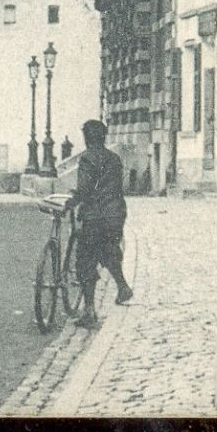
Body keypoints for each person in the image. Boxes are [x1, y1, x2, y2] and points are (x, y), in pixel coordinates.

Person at [68, 118, 133, 326]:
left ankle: (89, 312)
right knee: (109, 250)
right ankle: (123, 287)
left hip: (96, 217)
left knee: (86, 259)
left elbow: (86, 189)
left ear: (87, 138)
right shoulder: (114, 158)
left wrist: (74, 199)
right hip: (115, 215)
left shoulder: (87, 158)